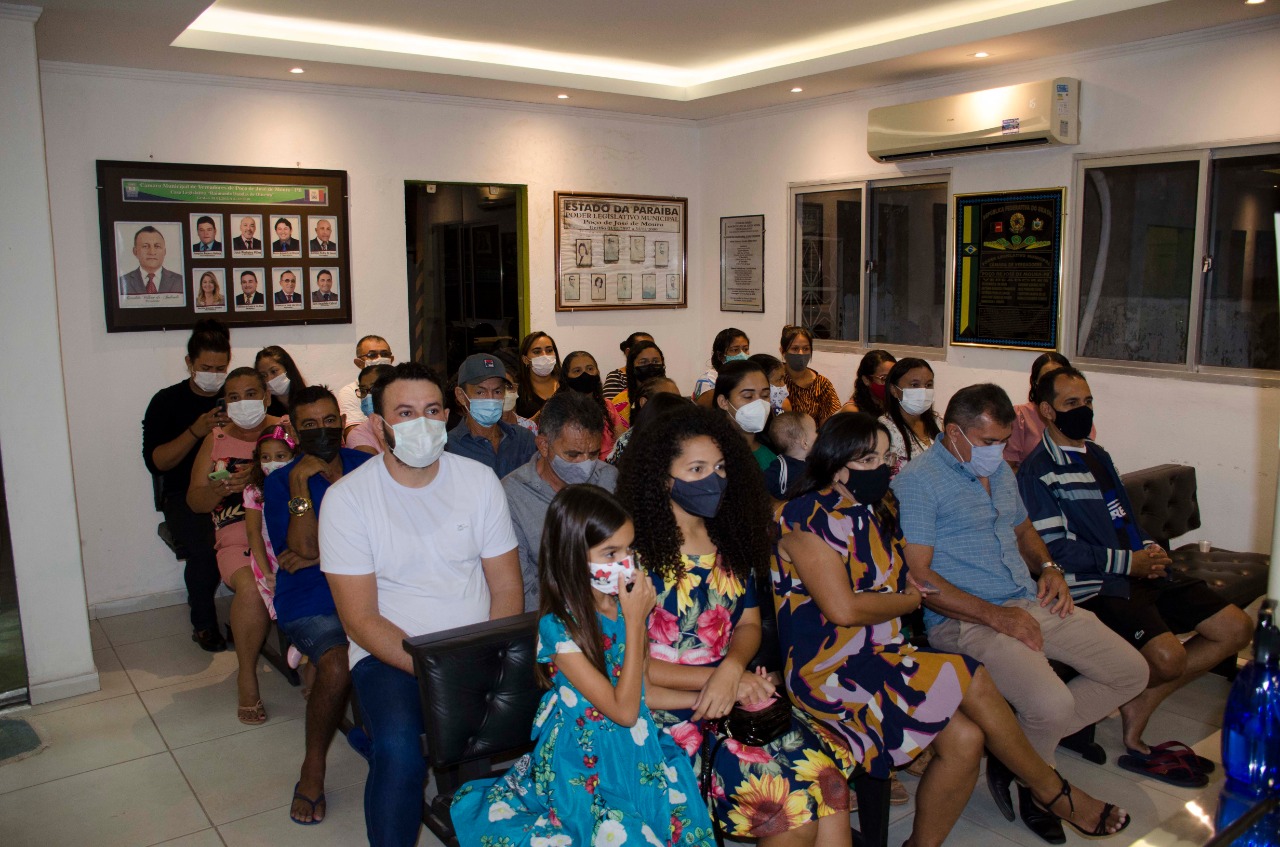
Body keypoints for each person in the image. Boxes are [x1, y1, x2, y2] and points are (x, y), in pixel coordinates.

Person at [776, 412, 1132, 846]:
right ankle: (1052, 792)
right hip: (830, 671)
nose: (881, 469)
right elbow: (844, 609)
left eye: (885, 459)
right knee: (971, 676)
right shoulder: (804, 517)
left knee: (966, 740)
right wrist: (909, 600)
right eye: (867, 460)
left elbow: (903, 576)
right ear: (836, 465)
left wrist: (909, 588)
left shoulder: (871, 511)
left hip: (881, 655)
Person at [891, 384, 1148, 842]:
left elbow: (1024, 529)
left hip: (1027, 599)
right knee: (1051, 704)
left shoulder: (998, 470)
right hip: (964, 619)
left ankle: (1019, 762)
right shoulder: (920, 481)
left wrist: (1048, 568)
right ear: (955, 432)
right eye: (989, 441)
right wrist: (996, 617)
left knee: (1130, 672)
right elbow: (920, 577)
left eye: (1004, 441)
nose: (998, 451)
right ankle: (1044, 785)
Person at [617, 406, 857, 846]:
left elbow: (747, 625)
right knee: (789, 807)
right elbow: (633, 667)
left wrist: (733, 669)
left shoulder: (728, 538)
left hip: (729, 693)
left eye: (721, 467)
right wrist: (726, 679)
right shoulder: (633, 557)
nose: (714, 479)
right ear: (662, 479)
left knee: (831, 784)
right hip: (664, 711)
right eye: (697, 469)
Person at [1018, 367, 1252, 787]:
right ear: (1048, 411)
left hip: (1136, 572)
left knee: (1235, 627)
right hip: (1098, 586)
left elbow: (1123, 517)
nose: (1084, 410)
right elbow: (1056, 551)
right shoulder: (1038, 472)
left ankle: (1140, 696)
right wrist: (1130, 563)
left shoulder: (1097, 455)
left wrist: (1150, 549)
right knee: (1168, 658)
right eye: (1072, 404)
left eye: (1088, 401)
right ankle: (1133, 706)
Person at [320, 361, 522, 847]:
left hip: (475, 649)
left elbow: (506, 589)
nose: (422, 423)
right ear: (378, 425)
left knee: (528, 736)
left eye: (432, 411)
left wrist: (487, 659)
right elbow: (360, 619)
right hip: (391, 656)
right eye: (405, 413)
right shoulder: (348, 500)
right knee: (400, 755)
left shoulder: (479, 482)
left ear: (448, 416)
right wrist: (438, 672)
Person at [452, 486, 712, 846]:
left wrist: (708, 698)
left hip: (638, 749)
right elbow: (624, 711)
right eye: (611, 553)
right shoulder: (558, 628)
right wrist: (636, 623)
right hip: (585, 760)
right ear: (573, 556)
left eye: (629, 549)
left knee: (682, 821)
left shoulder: (621, 605)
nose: (626, 562)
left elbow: (644, 691)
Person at [264, 384, 374, 826]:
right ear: (293, 432)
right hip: (310, 595)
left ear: (343, 423)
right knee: (336, 662)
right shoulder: (281, 481)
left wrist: (320, 552)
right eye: (309, 425)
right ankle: (313, 765)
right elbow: (303, 546)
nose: (322, 430)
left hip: (371, 586)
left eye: (330, 421)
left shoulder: (366, 466)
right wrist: (299, 484)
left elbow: (383, 538)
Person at [186, 367, 283, 725]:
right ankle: (247, 675)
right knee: (252, 589)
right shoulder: (216, 439)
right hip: (237, 537)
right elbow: (195, 501)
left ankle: (315, 662)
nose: (243, 403)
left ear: (267, 397)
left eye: (251, 394)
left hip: (286, 532)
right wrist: (220, 490)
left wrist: (261, 479)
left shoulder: (285, 430)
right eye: (234, 397)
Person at [142, 319, 232, 652]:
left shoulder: (236, 396)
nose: (214, 375)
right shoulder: (167, 401)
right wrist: (196, 430)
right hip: (184, 494)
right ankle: (204, 623)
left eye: (220, 368)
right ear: (189, 363)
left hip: (234, 486)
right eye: (206, 368)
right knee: (205, 546)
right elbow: (157, 462)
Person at [503, 391, 619, 612]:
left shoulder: (609, 479)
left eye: (593, 454)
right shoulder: (513, 495)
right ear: (543, 445)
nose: (585, 464)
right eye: (573, 455)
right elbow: (522, 589)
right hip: (551, 619)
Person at [445, 352, 537, 478]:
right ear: (461, 396)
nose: (491, 398)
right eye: (480, 392)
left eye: (497, 391)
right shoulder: (449, 447)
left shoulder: (524, 440)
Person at [1005, 352, 1094, 471]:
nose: (1053, 383)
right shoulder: (1020, 416)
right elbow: (1007, 469)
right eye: (1046, 379)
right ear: (1035, 384)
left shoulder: (1079, 415)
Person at [243, 426, 296, 622]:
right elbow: (253, 533)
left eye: (280, 456)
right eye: (266, 457)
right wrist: (266, 572)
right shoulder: (254, 491)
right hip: (269, 558)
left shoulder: (303, 485)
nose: (273, 463)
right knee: (282, 605)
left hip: (299, 553)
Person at [555, 350, 627, 456]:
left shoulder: (607, 406)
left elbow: (622, 442)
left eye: (590, 369)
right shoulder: (558, 409)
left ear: (597, 372)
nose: (585, 374)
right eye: (577, 371)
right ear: (566, 377)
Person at [880, 357, 941, 476]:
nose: (923, 391)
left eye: (928, 385)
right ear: (894, 390)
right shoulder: (884, 429)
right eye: (915, 385)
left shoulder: (938, 422)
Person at [713, 359, 777, 470]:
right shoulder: (713, 454)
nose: (759, 403)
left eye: (765, 395)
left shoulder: (773, 450)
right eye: (748, 396)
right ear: (723, 402)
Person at [606, 377, 682, 466]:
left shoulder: (684, 434)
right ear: (644, 402)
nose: (676, 406)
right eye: (668, 401)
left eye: (679, 400)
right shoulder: (627, 443)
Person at [780, 325, 841, 428]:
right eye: (795, 349)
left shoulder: (822, 384)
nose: (801, 353)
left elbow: (828, 426)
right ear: (783, 351)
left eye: (806, 349)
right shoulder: (775, 379)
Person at [336, 335, 394, 435]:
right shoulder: (349, 392)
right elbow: (354, 435)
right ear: (359, 363)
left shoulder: (404, 387)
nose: (380, 358)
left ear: (391, 359)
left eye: (384, 354)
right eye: (372, 355)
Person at [610, 339, 667, 424]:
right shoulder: (620, 403)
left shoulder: (671, 394)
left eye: (655, 361)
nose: (650, 365)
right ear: (632, 367)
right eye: (643, 362)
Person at [344, 363, 396, 454]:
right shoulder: (359, 434)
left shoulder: (413, 422)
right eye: (363, 390)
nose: (368, 396)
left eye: (374, 389)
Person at [762, 411, 814, 499]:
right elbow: (759, 485)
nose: (819, 434)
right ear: (804, 443)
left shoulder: (814, 460)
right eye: (816, 431)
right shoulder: (780, 469)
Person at [692, 327, 749, 406]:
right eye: (735, 350)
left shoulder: (747, 377)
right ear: (720, 356)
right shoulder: (708, 382)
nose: (742, 355)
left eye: (745, 349)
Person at [119, 225, 183, 295]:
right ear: (135, 251)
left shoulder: (180, 281)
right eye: (145, 246)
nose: (152, 252)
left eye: (157, 246)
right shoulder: (121, 283)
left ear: (164, 251)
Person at [515, 331, 560, 419]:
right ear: (525, 359)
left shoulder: (566, 384)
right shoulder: (517, 388)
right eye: (537, 352)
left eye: (549, 350)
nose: (544, 355)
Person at [255, 345, 308, 418]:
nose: (269, 379)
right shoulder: (263, 410)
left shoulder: (309, 401)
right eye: (263, 375)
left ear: (287, 368)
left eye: (274, 371)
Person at [842, 349, 896, 416]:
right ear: (866, 380)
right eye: (884, 379)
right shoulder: (853, 411)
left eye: (894, 377)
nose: (890, 383)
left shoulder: (895, 405)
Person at [602, 331, 653, 400]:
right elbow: (612, 405)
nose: (649, 352)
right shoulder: (617, 376)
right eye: (643, 348)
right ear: (628, 352)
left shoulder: (658, 375)